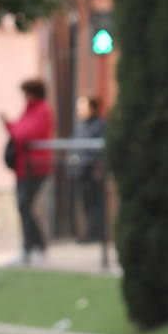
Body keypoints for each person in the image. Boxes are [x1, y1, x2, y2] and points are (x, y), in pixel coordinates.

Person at [1, 78, 54, 263]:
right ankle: (32, 246)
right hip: (24, 166)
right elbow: (19, 129)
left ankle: (33, 246)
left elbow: (26, 133)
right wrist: (9, 125)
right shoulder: (29, 110)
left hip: (35, 166)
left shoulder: (41, 110)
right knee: (24, 206)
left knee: (25, 205)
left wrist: (13, 130)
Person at [67, 96, 107, 244]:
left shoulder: (100, 125)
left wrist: (93, 165)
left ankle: (97, 233)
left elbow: (98, 150)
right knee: (85, 203)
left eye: (83, 106)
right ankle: (89, 232)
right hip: (79, 172)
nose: (79, 110)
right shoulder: (80, 126)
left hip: (92, 171)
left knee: (95, 202)